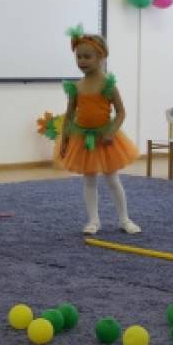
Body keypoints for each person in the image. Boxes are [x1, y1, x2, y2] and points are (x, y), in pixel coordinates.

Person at [57, 26, 140, 235]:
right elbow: (69, 114)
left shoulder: (108, 84)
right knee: (89, 179)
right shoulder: (76, 87)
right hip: (82, 138)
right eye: (78, 57)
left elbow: (121, 112)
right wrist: (65, 137)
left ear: (101, 57)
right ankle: (93, 221)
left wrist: (111, 131)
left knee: (112, 179)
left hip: (105, 138)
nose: (82, 61)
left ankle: (124, 219)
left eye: (87, 56)